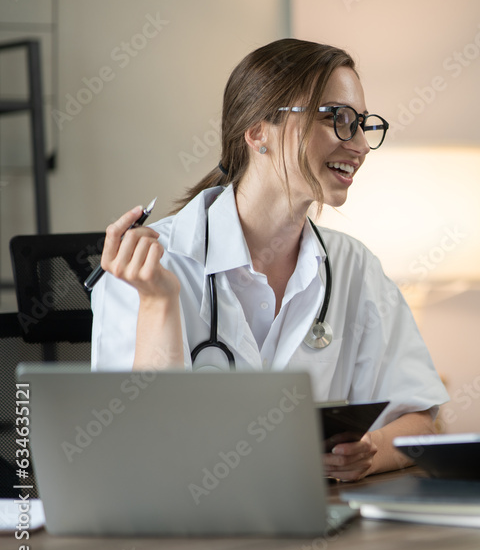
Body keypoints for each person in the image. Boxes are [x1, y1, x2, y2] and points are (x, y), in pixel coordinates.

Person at [91, 39, 449, 482]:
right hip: (188, 534)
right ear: (258, 131)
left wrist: (367, 452)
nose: (359, 144)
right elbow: (140, 453)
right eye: (336, 118)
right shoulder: (147, 268)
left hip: (313, 527)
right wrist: (158, 303)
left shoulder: (354, 266)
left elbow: (418, 421)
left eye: (361, 124)